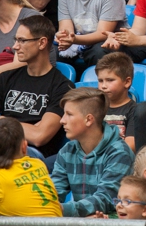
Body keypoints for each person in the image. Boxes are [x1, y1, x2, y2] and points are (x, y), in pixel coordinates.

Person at [0, 15, 75, 165]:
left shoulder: (62, 86)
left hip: (31, 155)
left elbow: (40, 136)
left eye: (22, 40)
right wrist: (29, 129)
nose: (15, 46)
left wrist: (2, 122)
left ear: (42, 43)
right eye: (16, 40)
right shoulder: (5, 78)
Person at [52, 87, 135, 217]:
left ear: (89, 119)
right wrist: (46, 205)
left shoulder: (120, 153)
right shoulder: (67, 151)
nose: (62, 120)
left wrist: (62, 210)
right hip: (83, 223)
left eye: (69, 114)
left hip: (114, 224)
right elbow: (54, 192)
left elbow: (106, 199)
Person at [95, 53, 146, 151]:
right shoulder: (96, 108)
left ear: (127, 82)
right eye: (100, 80)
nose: (103, 86)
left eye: (110, 80)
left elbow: (130, 146)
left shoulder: (134, 110)